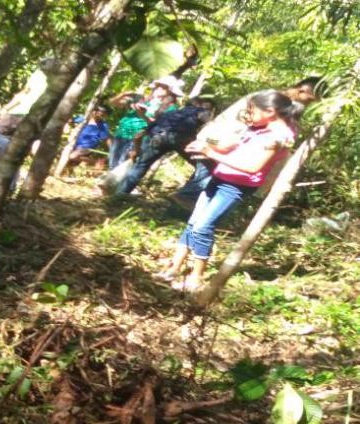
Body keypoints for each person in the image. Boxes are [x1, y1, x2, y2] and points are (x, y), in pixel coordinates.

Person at [157, 91, 299, 292]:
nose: (250, 114)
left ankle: (196, 278)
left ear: (270, 111)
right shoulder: (257, 128)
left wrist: (211, 153)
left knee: (202, 227)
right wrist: (206, 144)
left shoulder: (279, 137)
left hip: (236, 186)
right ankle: (173, 268)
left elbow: (252, 167)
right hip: (220, 178)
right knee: (193, 223)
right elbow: (229, 146)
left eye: (253, 110)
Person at [170, 77, 325, 210]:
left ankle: (180, 216)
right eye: (311, 99)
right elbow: (244, 123)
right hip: (222, 143)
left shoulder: (284, 106)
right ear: (301, 91)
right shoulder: (271, 100)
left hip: (228, 147)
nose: (310, 104)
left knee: (203, 186)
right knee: (200, 186)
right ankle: (184, 215)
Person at [113, 97, 215, 195]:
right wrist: (213, 143)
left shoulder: (171, 113)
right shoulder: (201, 111)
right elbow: (209, 130)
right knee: (205, 166)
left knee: (141, 165)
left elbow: (143, 132)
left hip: (157, 136)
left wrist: (136, 148)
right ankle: (186, 195)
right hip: (180, 139)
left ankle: (120, 193)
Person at [107, 75, 184, 170]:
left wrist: (142, 114)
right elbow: (113, 103)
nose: (159, 88)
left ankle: (113, 184)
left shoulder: (171, 108)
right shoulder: (142, 99)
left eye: (164, 86)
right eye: (158, 85)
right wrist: (123, 94)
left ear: (170, 92)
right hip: (122, 133)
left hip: (138, 138)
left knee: (122, 165)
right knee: (112, 163)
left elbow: (159, 125)